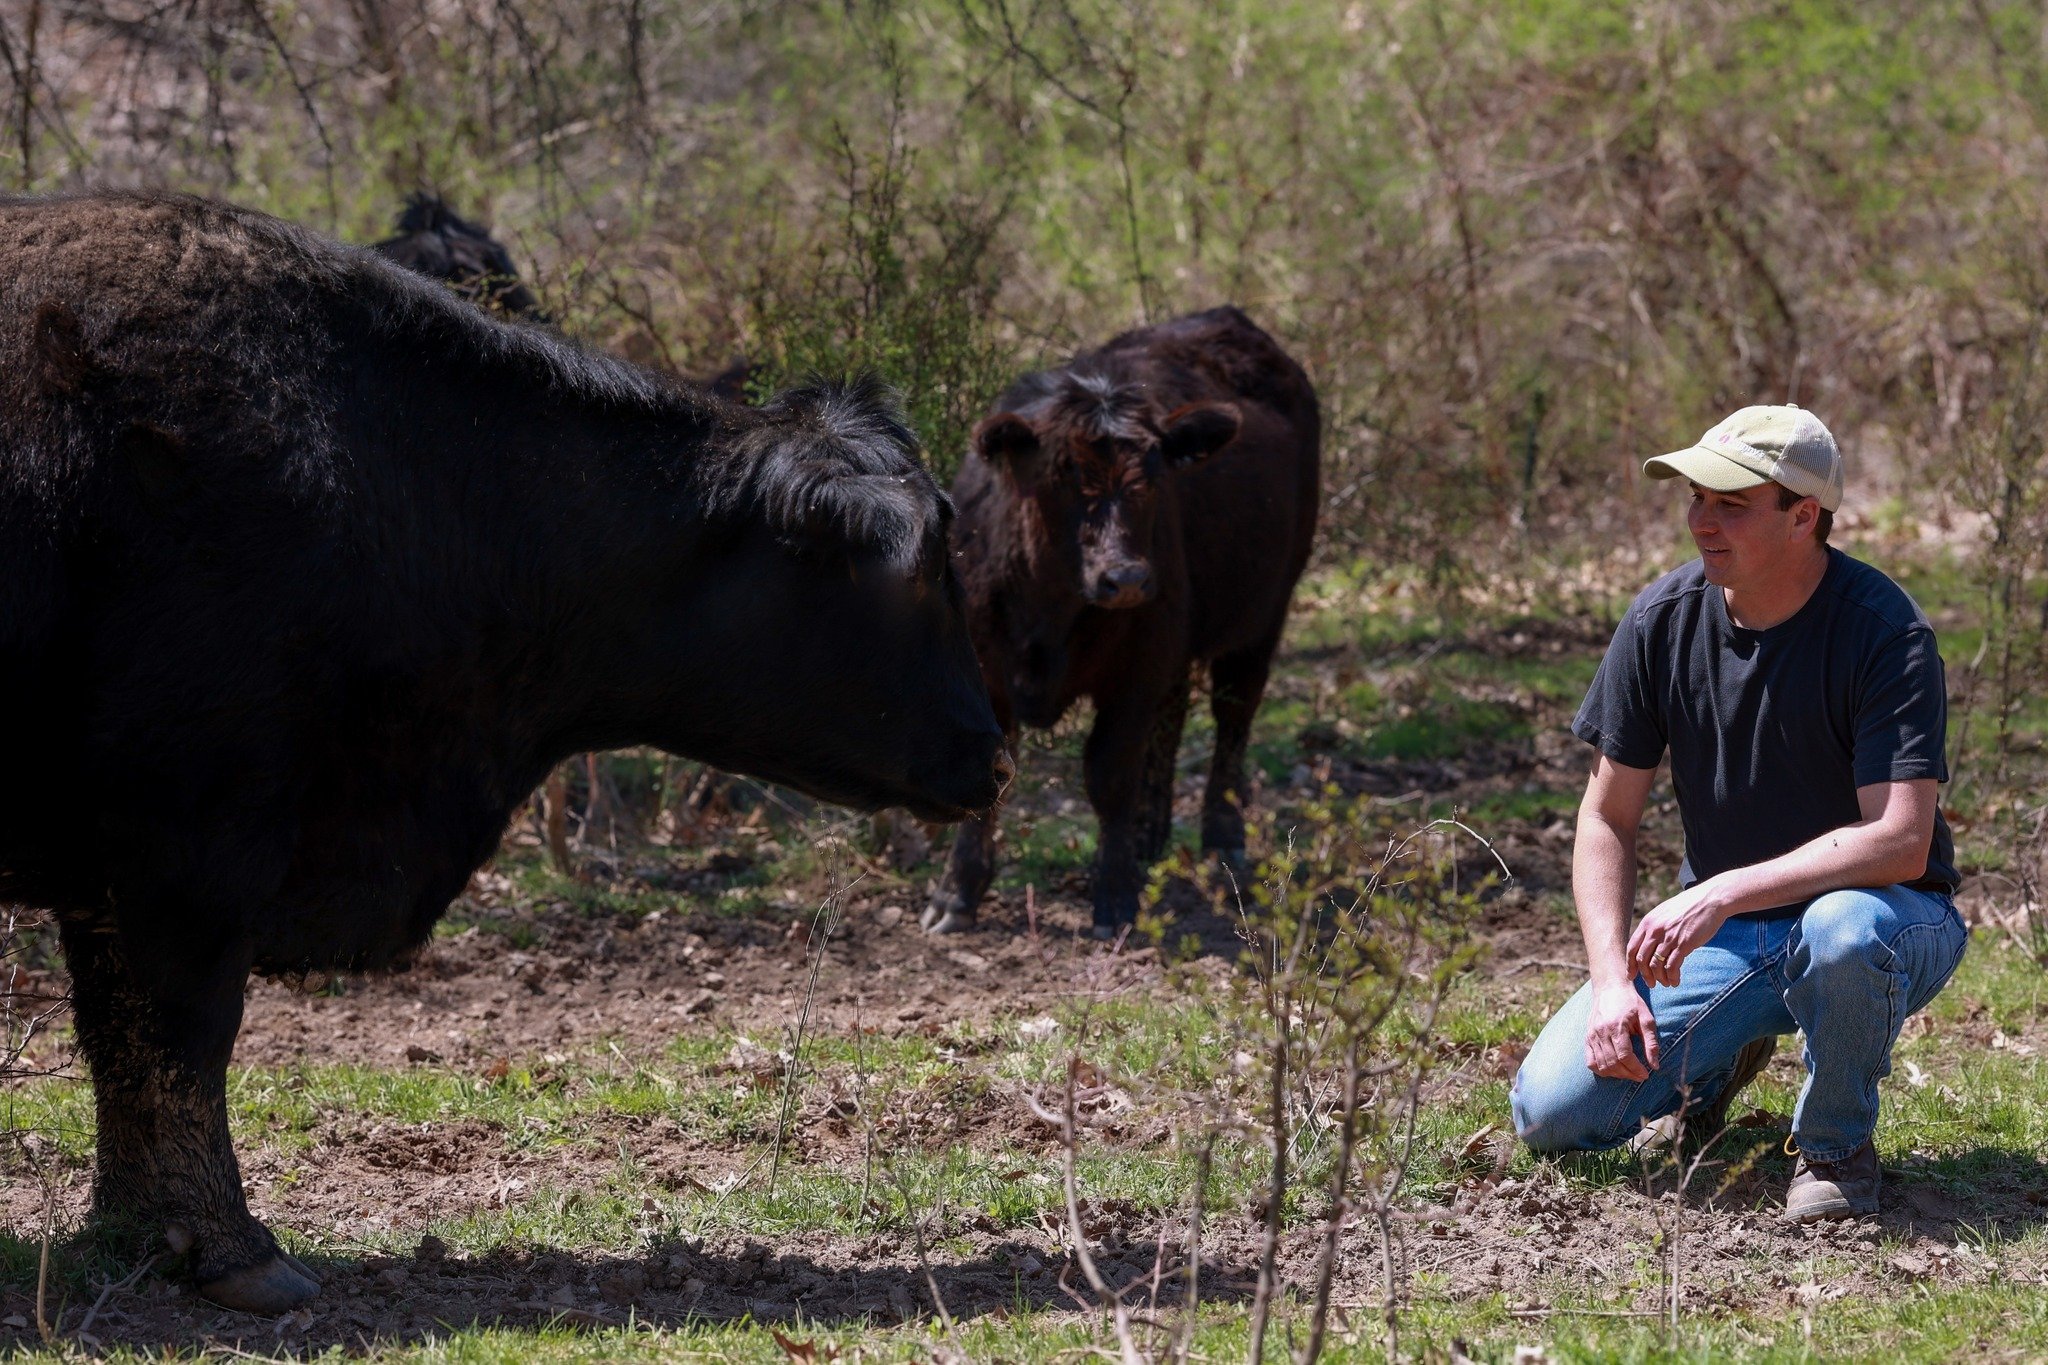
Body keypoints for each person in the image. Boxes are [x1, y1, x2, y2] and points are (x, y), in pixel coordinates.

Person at [1510, 405, 1967, 1222]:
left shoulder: (1884, 631)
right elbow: (1606, 818)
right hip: (1731, 934)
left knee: (1839, 931)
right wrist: (1612, 983)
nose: (1701, 520)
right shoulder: (1661, 619)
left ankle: (1834, 1148)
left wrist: (1722, 890)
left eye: (1731, 503)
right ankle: (1719, 1060)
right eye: (1696, 497)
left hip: (1888, 917)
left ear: (1803, 516)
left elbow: (1900, 841)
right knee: (1552, 1113)